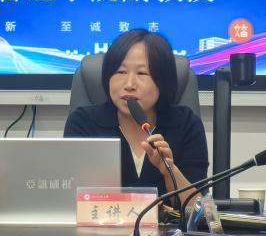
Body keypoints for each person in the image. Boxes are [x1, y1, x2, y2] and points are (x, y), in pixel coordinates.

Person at [64, 29, 208, 207]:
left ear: (163, 80)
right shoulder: (84, 123)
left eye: (142, 73)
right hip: (99, 225)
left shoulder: (185, 124)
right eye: (120, 72)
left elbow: (198, 211)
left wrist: (169, 170)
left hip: (167, 226)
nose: (129, 84)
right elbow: (70, 201)